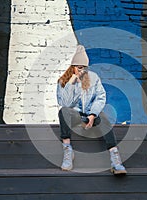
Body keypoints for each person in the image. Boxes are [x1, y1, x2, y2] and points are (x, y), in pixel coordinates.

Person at [56, 45, 127, 174]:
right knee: (63, 112)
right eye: (79, 67)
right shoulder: (63, 81)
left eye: (84, 67)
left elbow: (100, 97)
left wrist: (93, 114)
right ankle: (67, 150)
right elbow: (64, 103)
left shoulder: (93, 77)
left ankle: (115, 159)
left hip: (90, 115)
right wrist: (71, 83)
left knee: (104, 118)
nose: (82, 70)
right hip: (75, 116)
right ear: (73, 67)